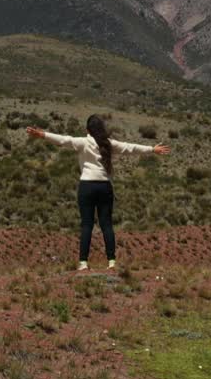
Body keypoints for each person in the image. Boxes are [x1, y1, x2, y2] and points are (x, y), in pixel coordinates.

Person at [27, 115, 171, 271]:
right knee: (106, 225)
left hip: (87, 186)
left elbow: (63, 140)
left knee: (87, 225)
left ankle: (83, 263)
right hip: (105, 186)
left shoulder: (83, 142)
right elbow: (130, 147)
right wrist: (152, 149)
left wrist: (42, 135)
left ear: (87, 129)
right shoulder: (108, 143)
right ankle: (111, 262)